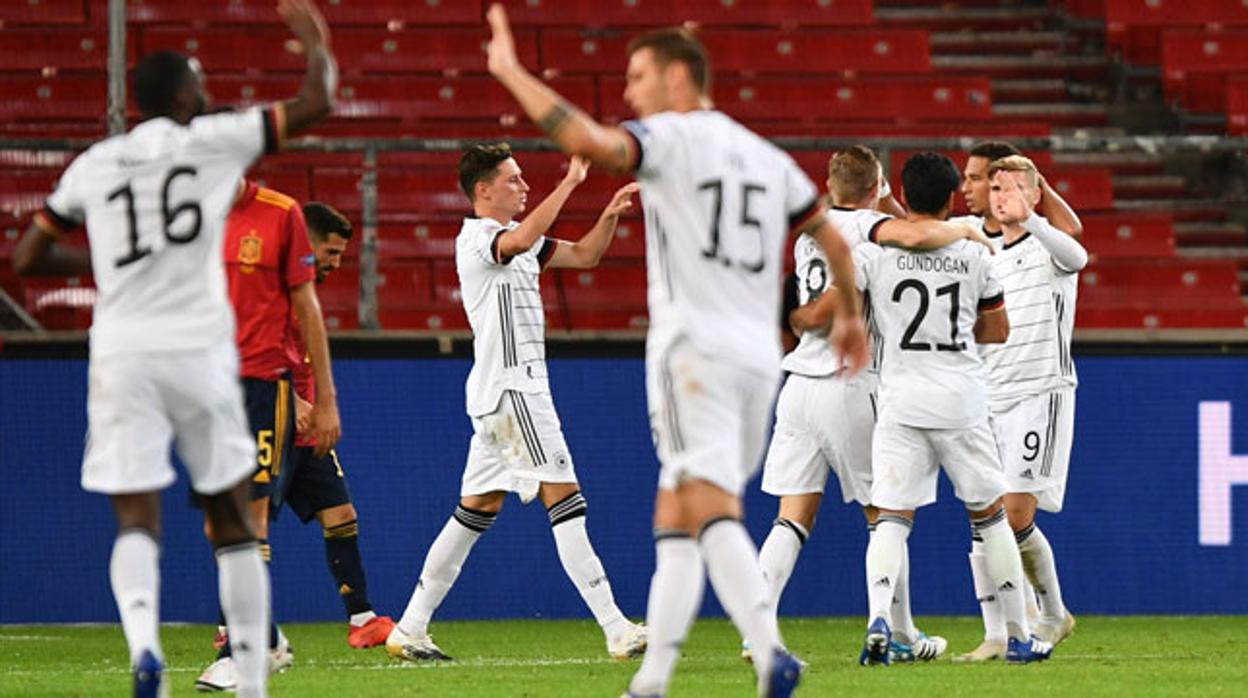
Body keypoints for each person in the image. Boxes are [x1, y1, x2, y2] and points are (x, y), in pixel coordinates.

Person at [484, 8, 988, 695]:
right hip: (756, 361)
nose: (630, 93)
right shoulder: (765, 156)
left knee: (706, 504)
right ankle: (659, 676)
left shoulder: (670, 138)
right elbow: (834, 235)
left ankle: (762, 648)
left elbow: (587, 140)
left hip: (694, 350)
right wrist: (848, 316)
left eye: (637, 76)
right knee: (685, 506)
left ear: (677, 75)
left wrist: (511, 72)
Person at [9, 1, 337, 695]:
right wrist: (312, 41)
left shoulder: (96, 163)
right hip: (199, 351)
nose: (207, 88)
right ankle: (250, 678)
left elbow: (28, 254)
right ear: (184, 96)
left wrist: (110, 264)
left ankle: (144, 649)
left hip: (123, 351)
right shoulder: (212, 141)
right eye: (200, 79)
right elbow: (315, 104)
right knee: (231, 514)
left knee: (136, 513)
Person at [386, 144, 646, 663]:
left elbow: (586, 256)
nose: (524, 187)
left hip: (503, 394)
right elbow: (522, 238)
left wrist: (608, 217)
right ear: (483, 191)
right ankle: (617, 628)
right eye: (514, 180)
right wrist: (569, 184)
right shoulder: (479, 238)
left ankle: (410, 627)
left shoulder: (520, 243)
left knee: (475, 510)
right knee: (566, 499)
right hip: (513, 391)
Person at [754, 145, 959, 666]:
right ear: (877, 186)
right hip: (851, 382)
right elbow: (914, 232)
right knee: (888, 513)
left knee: (791, 516)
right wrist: (889, 203)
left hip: (798, 385)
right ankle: (903, 633)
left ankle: (758, 625)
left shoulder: (809, 231)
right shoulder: (869, 228)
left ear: (829, 182)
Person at [852, 152, 1052, 666]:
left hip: (900, 400)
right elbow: (998, 329)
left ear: (905, 192)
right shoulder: (977, 254)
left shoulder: (876, 252)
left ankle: (879, 618)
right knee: (990, 519)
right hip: (961, 400)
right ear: (949, 200)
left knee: (892, 519)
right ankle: (1018, 635)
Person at [194, 179, 342, 692]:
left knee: (248, 520)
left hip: (262, 386)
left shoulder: (279, 214)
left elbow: (308, 310)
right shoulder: (188, 215)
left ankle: (243, 650)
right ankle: (270, 637)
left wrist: (324, 398)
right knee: (220, 528)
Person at [953, 141, 1084, 662]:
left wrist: (1032, 203)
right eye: (989, 183)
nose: (982, 190)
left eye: (993, 182)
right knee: (985, 515)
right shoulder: (978, 250)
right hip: (988, 395)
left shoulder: (1048, 245)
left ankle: (1051, 615)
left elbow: (1078, 254)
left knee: (1014, 512)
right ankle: (1001, 632)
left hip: (1038, 392)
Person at [280, 202, 396, 649]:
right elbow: (243, 349)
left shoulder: (303, 291)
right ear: (304, 242)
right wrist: (289, 399)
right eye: (330, 251)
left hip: (307, 429)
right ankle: (232, 630)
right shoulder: (271, 289)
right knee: (249, 528)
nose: (336, 262)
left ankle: (363, 619)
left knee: (342, 516)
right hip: (269, 420)